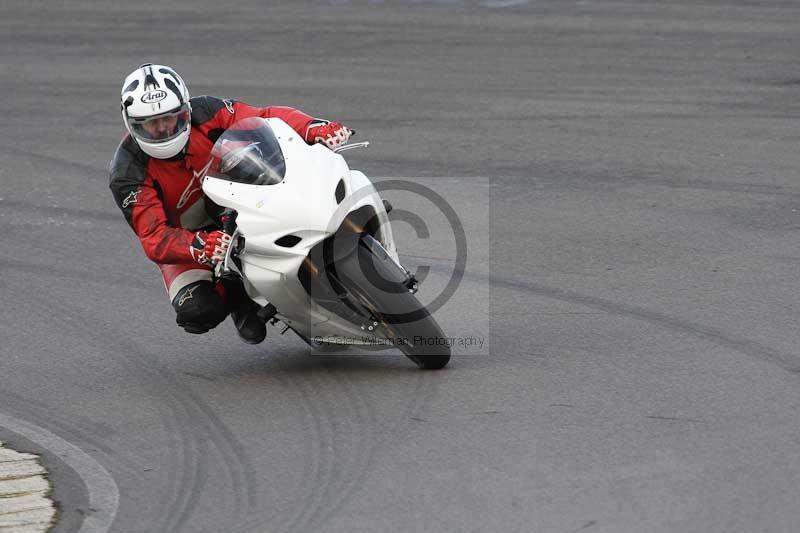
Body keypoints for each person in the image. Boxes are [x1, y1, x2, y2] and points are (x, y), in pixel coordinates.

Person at [109, 63, 353, 344]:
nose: (163, 129)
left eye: (171, 118)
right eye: (152, 124)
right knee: (197, 310)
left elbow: (265, 117)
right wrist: (199, 246)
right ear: (132, 125)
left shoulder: (208, 112)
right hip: (189, 235)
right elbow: (154, 238)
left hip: (240, 197)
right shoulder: (128, 172)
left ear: (186, 111)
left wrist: (312, 127)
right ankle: (237, 295)